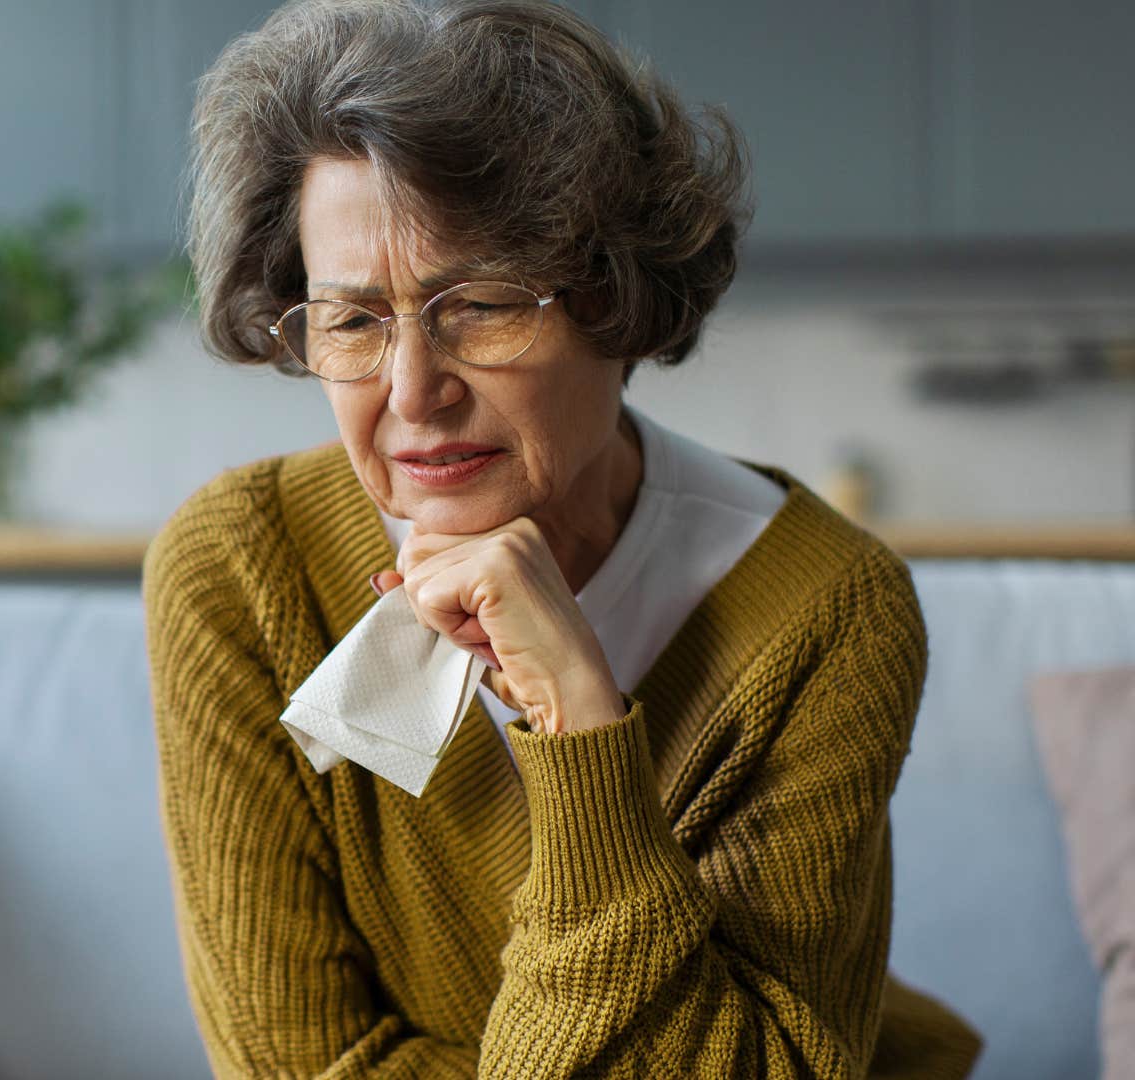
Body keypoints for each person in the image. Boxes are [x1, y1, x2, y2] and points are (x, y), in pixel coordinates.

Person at [140, 1, 987, 1076]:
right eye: (352, 321)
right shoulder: (238, 567)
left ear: (618, 300)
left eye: (481, 306)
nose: (413, 393)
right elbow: (292, 1064)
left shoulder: (827, 610)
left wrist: (585, 733)